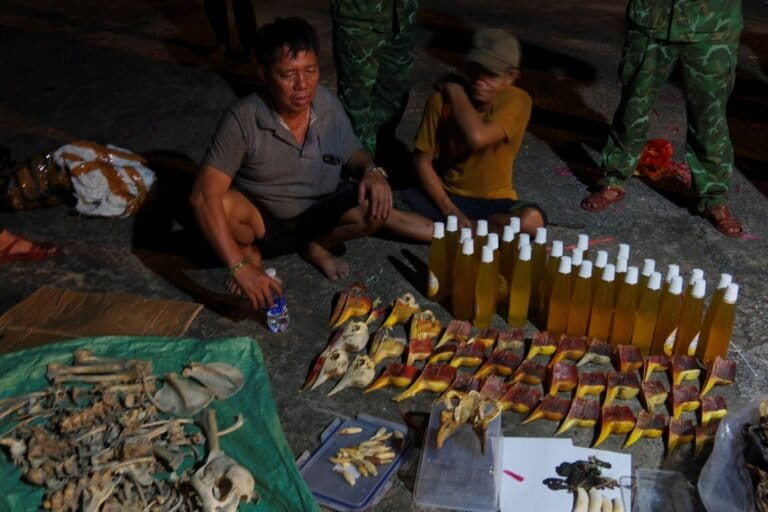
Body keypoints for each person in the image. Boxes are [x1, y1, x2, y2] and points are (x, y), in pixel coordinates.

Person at [190, 17, 429, 310]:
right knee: (223, 205)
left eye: (310, 71)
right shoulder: (242, 118)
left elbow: (353, 153)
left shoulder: (326, 103)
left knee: (376, 206)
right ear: (263, 73)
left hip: (318, 212)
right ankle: (250, 257)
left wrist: (372, 171)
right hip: (264, 220)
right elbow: (202, 196)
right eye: (288, 74)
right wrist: (239, 267)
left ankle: (315, 246)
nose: (302, 85)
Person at [580, 0, 744, 237]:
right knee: (634, 104)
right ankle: (613, 178)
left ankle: (714, 196)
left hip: (711, 24)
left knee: (709, 115)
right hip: (653, 18)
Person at [398, 28, 545, 238]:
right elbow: (422, 160)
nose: (480, 80)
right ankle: (470, 230)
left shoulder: (516, 100)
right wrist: (449, 208)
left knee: (531, 221)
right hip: (447, 195)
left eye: (491, 75)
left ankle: (455, 231)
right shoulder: (440, 100)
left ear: (510, 77)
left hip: (495, 202)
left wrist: (455, 90)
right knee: (379, 208)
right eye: (476, 70)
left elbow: (478, 137)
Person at [331, 0, 417, 159]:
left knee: (394, 96)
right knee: (357, 104)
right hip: (359, 16)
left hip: (402, 15)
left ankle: (383, 157)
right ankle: (360, 164)